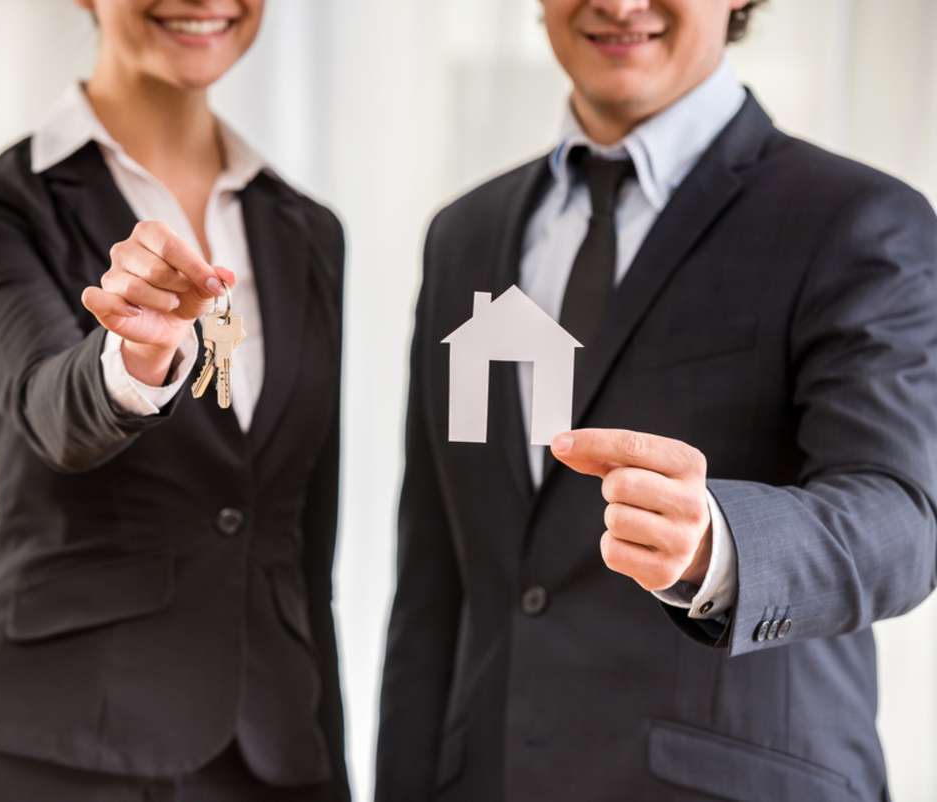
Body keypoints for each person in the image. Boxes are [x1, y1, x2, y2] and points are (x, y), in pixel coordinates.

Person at [377, 0, 937, 800]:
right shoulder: (464, 234)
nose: (618, 5)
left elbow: (902, 522)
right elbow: (434, 582)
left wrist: (718, 544)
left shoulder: (856, 221)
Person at [0, 1, 347, 800]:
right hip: (54, 746)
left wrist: (327, 760)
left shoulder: (307, 231)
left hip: (268, 757)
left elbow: (299, 538)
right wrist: (134, 356)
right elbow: (48, 404)